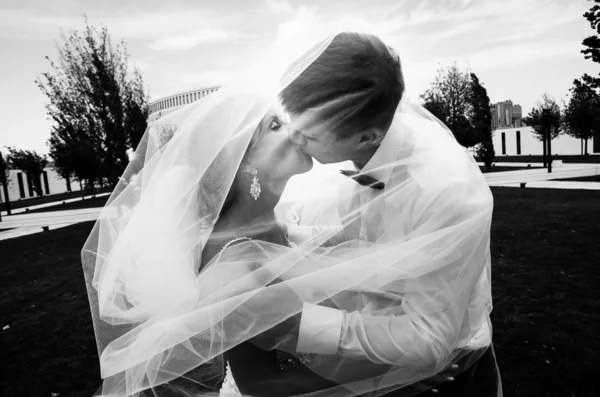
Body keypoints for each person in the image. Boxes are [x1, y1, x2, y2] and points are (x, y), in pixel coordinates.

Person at [82, 31, 501, 397]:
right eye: (278, 125)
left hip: (456, 377)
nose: (297, 132)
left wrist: (400, 370)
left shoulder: (445, 193)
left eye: (300, 129)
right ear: (241, 165)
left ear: (366, 137)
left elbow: (424, 334)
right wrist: (394, 376)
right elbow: (260, 381)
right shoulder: (230, 258)